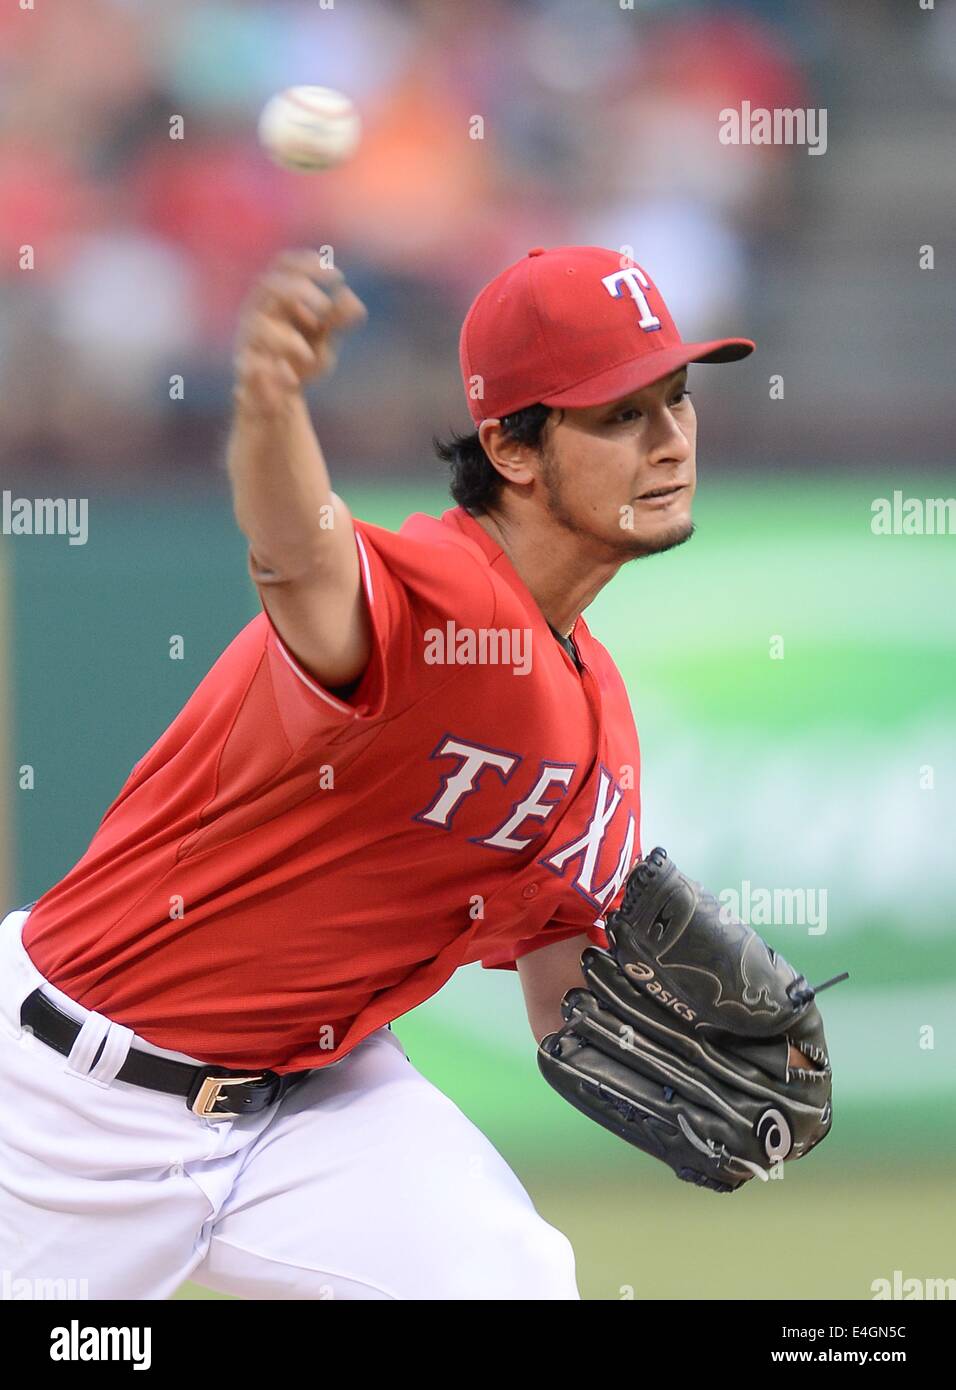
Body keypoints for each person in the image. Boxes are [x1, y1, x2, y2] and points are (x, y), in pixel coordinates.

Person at [0, 245, 793, 1302]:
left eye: (676, 398)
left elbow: (562, 995)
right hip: (67, 1104)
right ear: (511, 446)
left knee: (513, 1283)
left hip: (319, 1100)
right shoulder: (436, 603)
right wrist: (271, 405)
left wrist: (704, 1052)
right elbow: (297, 556)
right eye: (618, 415)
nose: (669, 441)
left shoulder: (599, 709)